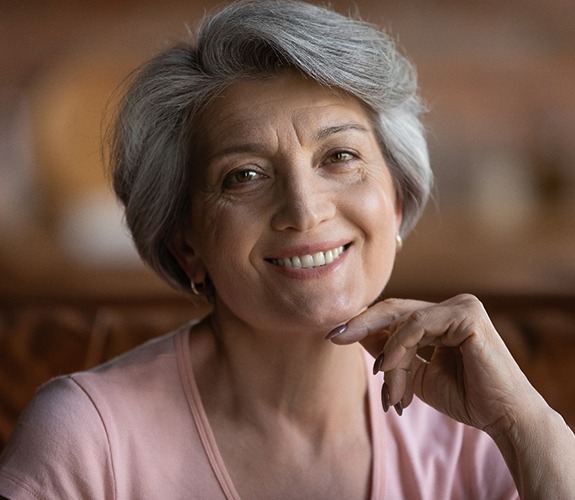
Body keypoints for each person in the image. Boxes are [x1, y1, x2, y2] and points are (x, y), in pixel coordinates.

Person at [1, 0, 573, 498]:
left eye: (340, 157)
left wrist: (529, 425)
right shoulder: (87, 439)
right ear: (187, 244)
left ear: (396, 201)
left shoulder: (479, 436)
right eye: (244, 175)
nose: (304, 210)